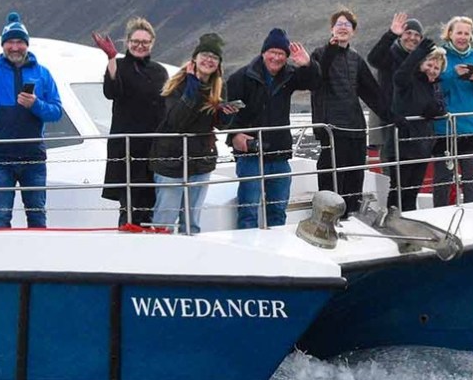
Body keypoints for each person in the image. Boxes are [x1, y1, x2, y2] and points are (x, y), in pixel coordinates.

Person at [0, 11, 63, 228]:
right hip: (0, 155)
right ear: (3, 45)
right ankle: (0, 259)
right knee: (1, 215)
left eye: (20, 42)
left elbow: (56, 112)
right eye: (10, 42)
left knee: (37, 215)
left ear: (27, 44)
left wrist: (35, 104)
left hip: (33, 155)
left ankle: (39, 260)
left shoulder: (43, 73)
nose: (15, 47)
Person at [226, 28, 313, 229]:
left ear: (286, 57)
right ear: (263, 52)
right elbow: (226, 114)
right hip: (250, 156)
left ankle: (278, 252)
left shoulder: (290, 75)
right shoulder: (240, 77)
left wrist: (307, 64)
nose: (276, 57)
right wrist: (234, 136)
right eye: (272, 52)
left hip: (279, 155)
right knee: (248, 211)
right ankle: (249, 254)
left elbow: (314, 82)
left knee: (278, 211)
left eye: (281, 54)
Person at [306, 7, 388, 218]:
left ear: (353, 31)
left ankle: (351, 217)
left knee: (354, 180)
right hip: (331, 128)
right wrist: (332, 50)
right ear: (332, 29)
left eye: (347, 25)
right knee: (331, 180)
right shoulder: (319, 53)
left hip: (356, 128)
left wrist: (394, 117)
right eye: (339, 24)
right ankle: (327, 220)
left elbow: (372, 93)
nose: (343, 28)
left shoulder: (356, 58)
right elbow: (316, 79)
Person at [152, 33, 231, 234]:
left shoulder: (220, 88)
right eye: (204, 54)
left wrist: (226, 114)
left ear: (218, 64)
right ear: (194, 59)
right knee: (165, 221)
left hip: (201, 161)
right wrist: (191, 90)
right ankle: (158, 260)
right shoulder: (176, 85)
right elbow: (177, 122)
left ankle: (189, 260)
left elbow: (223, 126)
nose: (208, 60)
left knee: (192, 222)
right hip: (171, 161)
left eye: (214, 57)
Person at [98, 17, 165, 227]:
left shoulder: (159, 71)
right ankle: (127, 242)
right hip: (127, 148)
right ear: (127, 42)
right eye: (135, 41)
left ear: (152, 44)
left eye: (145, 42)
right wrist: (110, 58)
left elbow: (167, 105)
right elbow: (111, 91)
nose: (139, 45)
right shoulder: (118, 66)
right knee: (129, 203)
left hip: (153, 147)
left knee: (152, 202)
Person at [431, 15, 473, 206]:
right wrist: (452, 74)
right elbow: (435, 86)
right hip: (445, 128)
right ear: (450, 34)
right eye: (459, 32)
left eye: (466, 33)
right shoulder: (441, 56)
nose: (463, 37)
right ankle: (440, 213)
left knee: (471, 177)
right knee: (443, 177)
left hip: (470, 126)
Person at [389, 42, 447, 212]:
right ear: (421, 64)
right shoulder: (409, 81)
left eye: (437, 68)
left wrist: (437, 109)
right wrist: (417, 54)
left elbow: (442, 106)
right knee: (399, 190)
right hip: (403, 145)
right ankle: (392, 221)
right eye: (429, 65)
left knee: (412, 192)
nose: (432, 70)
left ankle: (409, 220)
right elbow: (400, 76)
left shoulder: (434, 87)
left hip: (422, 146)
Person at [366, 13, 424, 173]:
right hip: (391, 125)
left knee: (412, 176)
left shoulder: (422, 60)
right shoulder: (389, 55)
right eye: (408, 33)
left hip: (415, 126)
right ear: (401, 35)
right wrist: (391, 34)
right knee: (393, 176)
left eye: (416, 35)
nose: (412, 38)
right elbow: (373, 59)